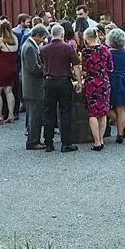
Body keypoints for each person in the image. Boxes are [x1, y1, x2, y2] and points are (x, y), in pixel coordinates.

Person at [36, 22, 78, 152]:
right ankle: (66, 143)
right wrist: (80, 82)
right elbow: (76, 65)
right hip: (64, 81)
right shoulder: (68, 48)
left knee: (49, 112)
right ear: (62, 34)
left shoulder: (44, 49)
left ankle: (48, 142)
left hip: (49, 82)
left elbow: (42, 63)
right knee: (65, 112)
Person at [79, 25, 112, 150]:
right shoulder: (106, 50)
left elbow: (84, 69)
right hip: (104, 81)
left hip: (91, 82)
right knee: (103, 113)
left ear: (87, 38)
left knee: (92, 113)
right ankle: (101, 139)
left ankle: (96, 141)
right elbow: (110, 67)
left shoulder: (86, 52)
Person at [106, 28, 125, 143]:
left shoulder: (108, 53)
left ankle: (121, 124)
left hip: (112, 80)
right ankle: (120, 133)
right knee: (121, 108)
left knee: (105, 107)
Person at [20, 24, 46, 148]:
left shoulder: (28, 45)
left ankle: (34, 139)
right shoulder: (30, 47)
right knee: (35, 116)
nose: (43, 40)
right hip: (33, 87)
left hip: (31, 86)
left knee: (34, 115)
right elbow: (34, 68)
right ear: (37, 36)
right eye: (42, 37)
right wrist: (47, 68)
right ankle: (33, 141)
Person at [0, 25, 20, 123]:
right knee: (9, 91)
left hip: (3, 68)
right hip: (13, 67)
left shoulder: (1, 41)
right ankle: (11, 114)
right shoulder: (15, 39)